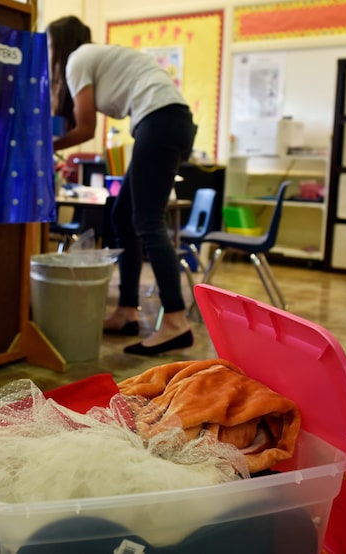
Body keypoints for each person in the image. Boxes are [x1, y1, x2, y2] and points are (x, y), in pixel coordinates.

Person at [47, 15, 198, 356]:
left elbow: (85, 128)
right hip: (169, 121)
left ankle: (175, 321)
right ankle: (127, 311)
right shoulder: (97, 56)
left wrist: (46, 146)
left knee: (148, 222)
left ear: (60, 43)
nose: (50, 53)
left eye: (50, 45)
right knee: (121, 215)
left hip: (159, 121)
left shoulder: (77, 59)